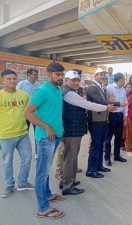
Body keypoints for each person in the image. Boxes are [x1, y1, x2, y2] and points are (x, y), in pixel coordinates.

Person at [60, 70, 116, 195]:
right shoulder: (69, 93)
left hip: (73, 128)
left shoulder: (70, 91)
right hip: (72, 130)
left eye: (77, 80)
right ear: (66, 80)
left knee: (70, 157)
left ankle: (67, 181)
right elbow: (88, 105)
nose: (76, 82)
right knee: (70, 158)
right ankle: (67, 186)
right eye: (73, 80)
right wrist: (106, 107)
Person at [24, 62, 66, 219]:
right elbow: (27, 113)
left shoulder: (57, 89)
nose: (61, 77)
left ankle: (47, 194)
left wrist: (59, 126)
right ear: (49, 75)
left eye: (62, 74)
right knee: (42, 172)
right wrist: (47, 127)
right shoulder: (42, 91)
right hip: (45, 138)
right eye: (58, 75)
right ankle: (43, 208)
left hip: (56, 136)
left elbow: (54, 111)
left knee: (46, 168)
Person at [0, 69, 34, 198]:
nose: (12, 81)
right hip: (5, 135)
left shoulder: (23, 95)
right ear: (2, 80)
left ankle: (22, 182)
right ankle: (9, 184)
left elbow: (30, 112)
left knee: (27, 159)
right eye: (9, 78)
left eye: (14, 78)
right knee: (7, 162)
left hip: (23, 134)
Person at [85, 68, 122, 178]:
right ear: (94, 76)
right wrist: (118, 103)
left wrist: (113, 102)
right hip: (95, 121)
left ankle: (98, 166)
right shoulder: (92, 88)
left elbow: (107, 101)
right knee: (95, 145)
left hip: (103, 120)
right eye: (100, 74)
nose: (102, 76)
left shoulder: (101, 88)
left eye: (104, 75)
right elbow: (101, 102)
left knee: (100, 145)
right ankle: (91, 170)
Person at [17, 68, 42, 159]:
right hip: (25, 113)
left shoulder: (39, 85)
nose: (36, 76)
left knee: (37, 133)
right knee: (24, 134)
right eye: (34, 74)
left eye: (36, 74)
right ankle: (24, 152)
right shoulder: (21, 85)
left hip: (36, 114)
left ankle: (37, 152)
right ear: (28, 75)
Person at [105, 73, 128, 166]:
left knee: (118, 137)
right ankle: (107, 158)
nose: (124, 81)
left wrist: (125, 115)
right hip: (111, 115)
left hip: (119, 115)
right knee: (108, 138)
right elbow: (106, 101)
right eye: (124, 80)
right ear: (120, 80)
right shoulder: (109, 88)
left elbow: (125, 102)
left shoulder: (122, 89)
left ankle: (117, 155)